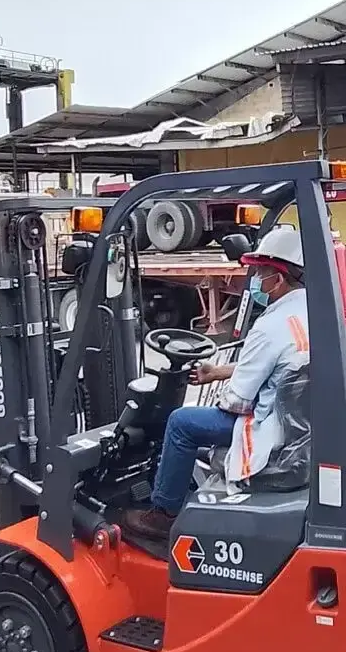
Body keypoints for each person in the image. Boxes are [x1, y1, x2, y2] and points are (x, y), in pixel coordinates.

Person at [124, 223, 310, 538]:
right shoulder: (309, 311)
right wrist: (218, 372)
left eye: (260, 273)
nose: (255, 280)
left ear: (278, 280)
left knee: (181, 423)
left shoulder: (270, 326)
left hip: (269, 427)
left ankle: (164, 513)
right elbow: (277, 365)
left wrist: (222, 392)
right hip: (298, 421)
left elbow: (235, 401)